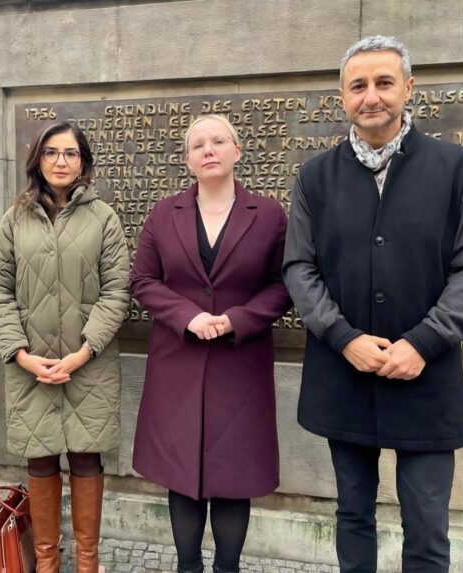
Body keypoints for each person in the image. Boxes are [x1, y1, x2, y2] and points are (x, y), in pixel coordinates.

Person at [282, 36, 463, 573]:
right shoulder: (314, 178)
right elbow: (299, 269)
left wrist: (425, 341)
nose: (371, 96)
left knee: (426, 526)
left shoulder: (455, 168)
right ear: (342, 97)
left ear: (408, 87)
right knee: (352, 515)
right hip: (344, 375)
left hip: (426, 378)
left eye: (383, 83)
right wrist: (343, 338)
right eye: (358, 86)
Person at [131, 114, 291, 573]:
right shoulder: (165, 213)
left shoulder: (269, 215)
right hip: (177, 363)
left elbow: (283, 285)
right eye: (198, 144)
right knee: (181, 474)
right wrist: (190, 316)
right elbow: (142, 279)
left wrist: (236, 320)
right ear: (188, 160)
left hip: (239, 364)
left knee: (232, 475)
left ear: (236, 151)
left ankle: (227, 568)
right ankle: (187, 568)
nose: (209, 149)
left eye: (218, 141)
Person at [0, 121, 130, 573]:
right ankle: (46, 563)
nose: (61, 161)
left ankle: (87, 563)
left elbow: (117, 291)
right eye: (51, 152)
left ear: (83, 162)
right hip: (31, 366)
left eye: (70, 153)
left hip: (89, 364)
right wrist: (22, 354)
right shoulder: (15, 219)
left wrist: (85, 351)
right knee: (41, 457)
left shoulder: (103, 217)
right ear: (38, 161)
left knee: (87, 457)